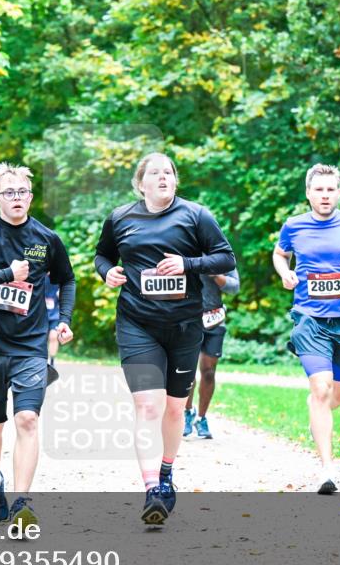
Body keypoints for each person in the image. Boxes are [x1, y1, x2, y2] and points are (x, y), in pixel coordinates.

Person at [94, 152, 235, 525]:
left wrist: (187, 264)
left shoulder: (196, 216)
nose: (163, 178)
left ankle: (167, 471)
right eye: (154, 173)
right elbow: (102, 256)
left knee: (174, 409)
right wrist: (107, 272)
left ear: (175, 180)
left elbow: (225, 259)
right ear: (140, 184)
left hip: (185, 326)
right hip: (137, 324)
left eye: (168, 172)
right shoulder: (121, 218)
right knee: (148, 407)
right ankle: (152, 489)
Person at [0, 162, 76, 527]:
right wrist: (7, 274)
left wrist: (64, 319)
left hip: (30, 346)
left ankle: (23, 503)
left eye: (22, 192)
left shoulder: (46, 238)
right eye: (9, 193)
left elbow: (67, 280)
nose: (16, 198)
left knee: (27, 419)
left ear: (31, 197)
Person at [272, 163, 340, 495]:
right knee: (321, 389)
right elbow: (280, 254)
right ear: (308, 193)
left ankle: (317, 410)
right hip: (309, 317)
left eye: (330, 189)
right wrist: (285, 272)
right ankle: (327, 470)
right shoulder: (294, 225)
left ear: (339, 192)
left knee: (338, 395)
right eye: (319, 190)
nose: (325, 195)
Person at [183, 268, 240, 440]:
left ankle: (201, 418)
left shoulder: (222, 256)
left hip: (214, 319)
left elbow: (234, 288)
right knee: (187, 370)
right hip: (187, 318)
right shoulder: (183, 253)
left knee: (208, 372)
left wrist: (215, 274)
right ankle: (187, 412)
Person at [44, 275, 61, 362]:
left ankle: (52, 361)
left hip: (54, 314)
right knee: (41, 339)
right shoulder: (39, 275)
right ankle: (41, 360)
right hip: (40, 314)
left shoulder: (59, 276)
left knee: (53, 336)